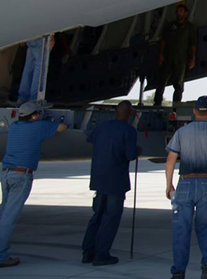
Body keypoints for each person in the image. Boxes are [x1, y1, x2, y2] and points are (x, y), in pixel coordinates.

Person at [0, 101, 68, 268]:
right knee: (9, 218)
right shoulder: (38, 127)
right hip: (21, 175)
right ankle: (1, 256)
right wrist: (47, 121)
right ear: (34, 116)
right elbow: (63, 127)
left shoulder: (15, 126)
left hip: (7, 173)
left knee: (3, 213)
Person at [165, 96, 207, 279]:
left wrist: (169, 184)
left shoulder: (182, 132)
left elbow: (170, 160)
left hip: (185, 183)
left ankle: (178, 272)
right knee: (206, 227)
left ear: (194, 110)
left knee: (181, 229)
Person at [81, 101, 140, 266]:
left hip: (99, 178)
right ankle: (101, 254)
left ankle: (88, 251)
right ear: (130, 114)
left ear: (116, 111)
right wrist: (137, 151)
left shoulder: (101, 127)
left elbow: (91, 140)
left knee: (97, 215)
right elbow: (129, 155)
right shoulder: (129, 130)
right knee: (111, 217)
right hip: (116, 180)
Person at [155, 4, 197, 107]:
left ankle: (176, 106)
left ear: (185, 13)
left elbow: (193, 44)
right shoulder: (170, 26)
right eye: (178, 11)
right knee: (161, 81)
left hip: (181, 60)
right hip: (168, 58)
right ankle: (157, 103)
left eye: (181, 11)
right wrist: (160, 54)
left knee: (178, 84)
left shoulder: (190, 28)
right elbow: (163, 41)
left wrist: (192, 58)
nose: (179, 13)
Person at [15, 37, 52, 105]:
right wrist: (52, 35)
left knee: (29, 67)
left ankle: (23, 97)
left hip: (30, 37)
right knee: (40, 69)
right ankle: (35, 98)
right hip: (42, 36)